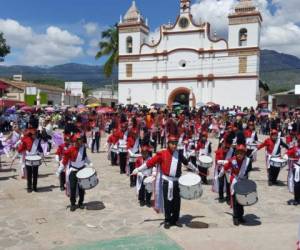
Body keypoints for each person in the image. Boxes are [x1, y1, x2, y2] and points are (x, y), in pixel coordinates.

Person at [132, 135, 197, 229]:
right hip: (167, 181)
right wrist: (138, 169)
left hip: (177, 181)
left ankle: (175, 219)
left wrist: (195, 169)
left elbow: (186, 162)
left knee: (176, 201)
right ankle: (167, 220)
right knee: (167, 201)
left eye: (175, 144)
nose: (174, 146)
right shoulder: (162, 154)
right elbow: (150, 163)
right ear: (168, 144)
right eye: (172, 144)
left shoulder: (178, 154)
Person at [62, 133, 92, 211]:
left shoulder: (83, 148)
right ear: (74, 142)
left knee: (82, 188)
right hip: (73, 171)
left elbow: (85, 158)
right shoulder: (69, 150)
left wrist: (90, 164)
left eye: (80, 141)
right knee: (72, 188)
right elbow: (64, 161)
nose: (79, 143)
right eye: (78, 141)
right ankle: (72, 204)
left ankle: (81, 203)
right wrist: (59, 170)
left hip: (82, 170)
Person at [222, 145, 251, 226]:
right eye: (238, 153)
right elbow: (225, 167)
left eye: (242, 153)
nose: (239, 155)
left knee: (242, 201)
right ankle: (235, 217)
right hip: (234, 181)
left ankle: (241, 216)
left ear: (244, 154)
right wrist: (221, 173)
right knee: (235, 200)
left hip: (243, 182)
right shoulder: (232, 160)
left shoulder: (248, 161)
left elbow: (248, 171)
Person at [17, 128, 43, 193]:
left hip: (36, 158)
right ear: (31, 135)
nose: (35, 135)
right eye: (34, 134)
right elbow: (21, 148)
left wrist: (41, 156)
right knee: (29, 174)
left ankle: (35, 187)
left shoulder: (38, 140)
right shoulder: (26, 140)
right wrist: (18, 151)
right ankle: (29, 187)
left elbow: (40, 149)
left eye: (36, 134)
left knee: (35, 173)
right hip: (28, 158)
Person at [285, 135, 300, 205]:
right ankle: (296, 199)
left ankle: (297, 198)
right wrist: (285, 156)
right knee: (297, 184)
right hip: (297, 168)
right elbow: (288, 153)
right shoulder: (295, 148)